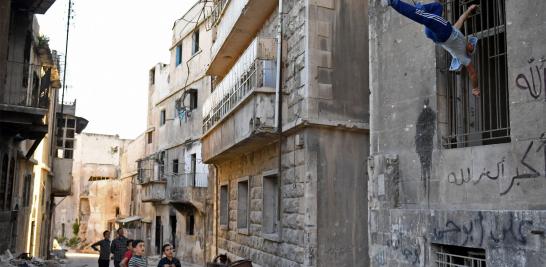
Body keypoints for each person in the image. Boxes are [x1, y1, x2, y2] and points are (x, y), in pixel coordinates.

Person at [386, 0, 481, 96]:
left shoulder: (463, 57)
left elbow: (473, 74)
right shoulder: (461, 38)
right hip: (433, 31)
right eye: (472, 44)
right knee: (437, 6)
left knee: (422, 16)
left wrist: (475, 88)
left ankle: (394, 3)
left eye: (472, 48)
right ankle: (421, 9)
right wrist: (469, 10)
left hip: (442, 33)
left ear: (469, 53)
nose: (471, 45)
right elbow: (461, 19)